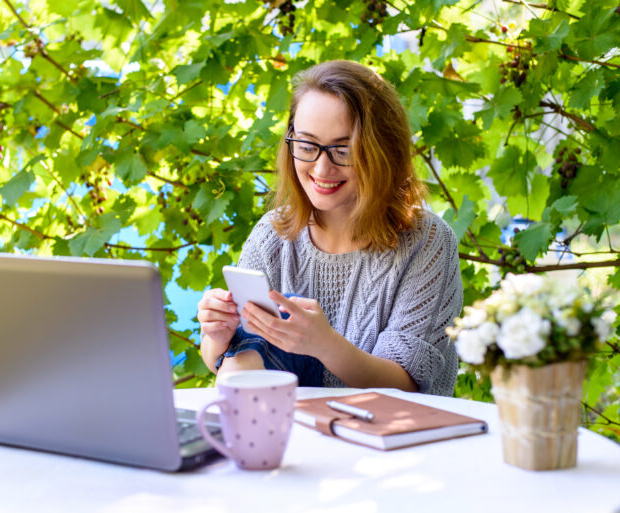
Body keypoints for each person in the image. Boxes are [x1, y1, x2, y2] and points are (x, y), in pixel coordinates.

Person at [197, 60, 463, 396]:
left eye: (343, 150)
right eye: (307, 146)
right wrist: (218, 336)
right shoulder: (273, 235)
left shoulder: (427, 242)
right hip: (293, 429)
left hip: (392, 437)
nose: (322, 168)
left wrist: (324, 345)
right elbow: (227, 359)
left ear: (383, 151)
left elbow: (408, 384)